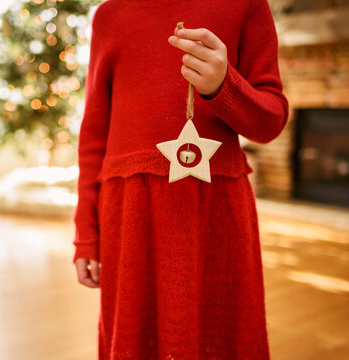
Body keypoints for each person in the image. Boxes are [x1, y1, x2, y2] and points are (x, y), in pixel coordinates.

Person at [72, 0, 289, 358]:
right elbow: (93, 133)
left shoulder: (246, 5)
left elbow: (271, 122)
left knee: (222, 334)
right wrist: (86, 235)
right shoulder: (109, 15)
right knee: (134, 340)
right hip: (130, 211)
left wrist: (224, 85)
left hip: (214, 209)